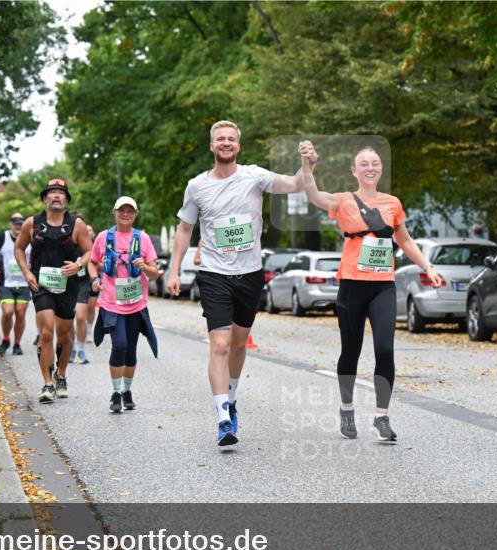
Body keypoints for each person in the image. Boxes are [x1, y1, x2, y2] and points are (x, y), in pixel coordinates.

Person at [167, 120, 313, 448]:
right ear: (212, 146)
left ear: (238, 145)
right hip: (215, 274)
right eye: (220, 138)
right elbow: (184, 229)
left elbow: (295, 185)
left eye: (231, 138)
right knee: (219, 345)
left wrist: (307, 163)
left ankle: (231, 400)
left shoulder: (254, 176)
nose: (226, 142)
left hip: (249, 274)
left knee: (237, 344)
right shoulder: (197, 186)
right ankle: (222, 419)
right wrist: (174, 269)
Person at [300, 142, 442, 442]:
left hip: (383, 286)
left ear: (381, 170)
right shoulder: (343, 201)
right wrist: (308, 168)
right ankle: (347, 409)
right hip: (352, 284)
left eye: (375, 163)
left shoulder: (393, 203)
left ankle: (381, 416)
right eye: (364, 163)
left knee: (385, 349)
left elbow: (405, 241)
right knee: (350, 351)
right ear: (354, 171)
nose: (370, 167)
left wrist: (427, 267)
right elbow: (313, 195)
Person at [14, 178, 93, 403]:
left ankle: (61, 375)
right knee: (47, 331)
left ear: (66, 200)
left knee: (65, 335)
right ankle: (47, 383)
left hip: (68, 285)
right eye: (52, 192)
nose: (57, 196)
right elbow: (19, 248)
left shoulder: (75, 224)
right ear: (44, 198)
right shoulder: (32, 223)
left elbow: (89, 252)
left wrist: (78, 265)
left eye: (61, 193)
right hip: (42, 284)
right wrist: (27, 273)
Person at [90, 196, 160, 412]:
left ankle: (127, 390)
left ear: (135, 215)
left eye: (130, 211)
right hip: (111, 302)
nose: (126, 214)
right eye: (122, 210)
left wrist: (144, 267)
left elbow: (155, 274)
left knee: (130, 350)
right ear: (115, 212)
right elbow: (92, 263)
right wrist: (94, 280)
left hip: (136, 303)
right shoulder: (103, 237)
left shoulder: (143, 239)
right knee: (119, 345)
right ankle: (115, 393)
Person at [0, 213, 32, 356]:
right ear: (10, 224)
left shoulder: (30, 238)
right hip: (6, 282)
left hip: (24, 283)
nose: (18, 226)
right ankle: (6, 338)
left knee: (20, 313)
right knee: (8, 312)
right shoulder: (2, 238)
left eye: (20, 223)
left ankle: (17, 344)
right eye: (15, 223)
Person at [71, 221, 98, 364]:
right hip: (67, 284)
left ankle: (80, 349)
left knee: (81, 317)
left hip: (83, 283)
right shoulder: (67, 243)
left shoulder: (90, 247)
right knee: (67, 319)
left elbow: (95, 262)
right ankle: (70, 349)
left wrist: (95, 278)